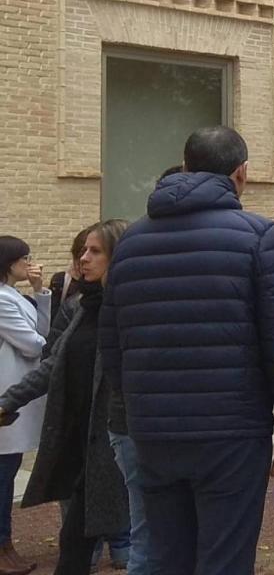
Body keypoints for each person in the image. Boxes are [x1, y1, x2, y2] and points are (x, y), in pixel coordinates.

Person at [99, 126, 274, 573]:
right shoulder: (260, 237)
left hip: (154, 431)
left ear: (186, 164)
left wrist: (135, 409)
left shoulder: (132, 243)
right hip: (231, 432)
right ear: (241, 173)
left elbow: (113, 343)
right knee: (226, 557)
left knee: (167, 555)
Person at [0, 221, 131, 575]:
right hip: (78, 437)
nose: (83, 259)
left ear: (119, 256)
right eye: (82, 252)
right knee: (73, 544)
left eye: (95, 251)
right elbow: (53, 363)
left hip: (119, 444)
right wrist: (8, 401)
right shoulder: (81, 307)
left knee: (144, 546)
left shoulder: (131, 312)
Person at [0, 237, 49, 575]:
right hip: (7, 396)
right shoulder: (1, 301)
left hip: (18, 397)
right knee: (2, 477)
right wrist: (45, 341)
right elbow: (34, 346)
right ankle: (2, 546)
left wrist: (40, 292)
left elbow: (43, 333)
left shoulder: (15, 296)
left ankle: (6, 544)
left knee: (8, 471)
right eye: (24, 258)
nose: (29, 262)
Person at [47, 228, 90, 325]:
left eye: (95, 252)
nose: (85, 260)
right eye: (79, 257)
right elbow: (53, 321)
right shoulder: (61, 281)